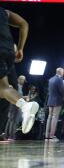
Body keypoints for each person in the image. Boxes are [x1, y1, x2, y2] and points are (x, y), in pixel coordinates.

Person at [0, 9, 37, 138]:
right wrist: (20, 48)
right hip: (9, 49)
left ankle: (25, 106)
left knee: (3, 88)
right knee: (3, 90)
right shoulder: (4, 12)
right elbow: (24, 23)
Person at [45, 67, 64, 140]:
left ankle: (47, 135)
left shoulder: (50, 79)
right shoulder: (60, 80)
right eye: (63, 72)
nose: (63, 73)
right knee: (54, 118)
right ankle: (51, 135)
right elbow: (62, 91)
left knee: (49, 117)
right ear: (60, 72)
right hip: (57, 101)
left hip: (50, 100)